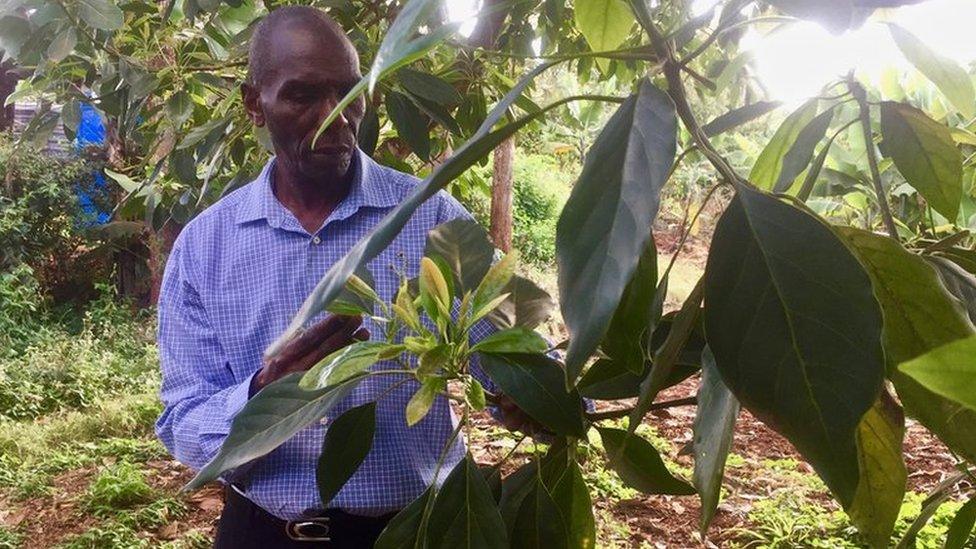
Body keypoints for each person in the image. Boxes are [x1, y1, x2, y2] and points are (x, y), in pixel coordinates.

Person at [155, 6, 537, 548]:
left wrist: (537, 397)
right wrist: (265, 396)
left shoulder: (433, 219)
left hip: (416, 530)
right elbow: (184, 424)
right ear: (253, 105)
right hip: (262, 532)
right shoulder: (204, 246)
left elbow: (519, 353)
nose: (335, 115)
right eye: (303, 95)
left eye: (350, 92)